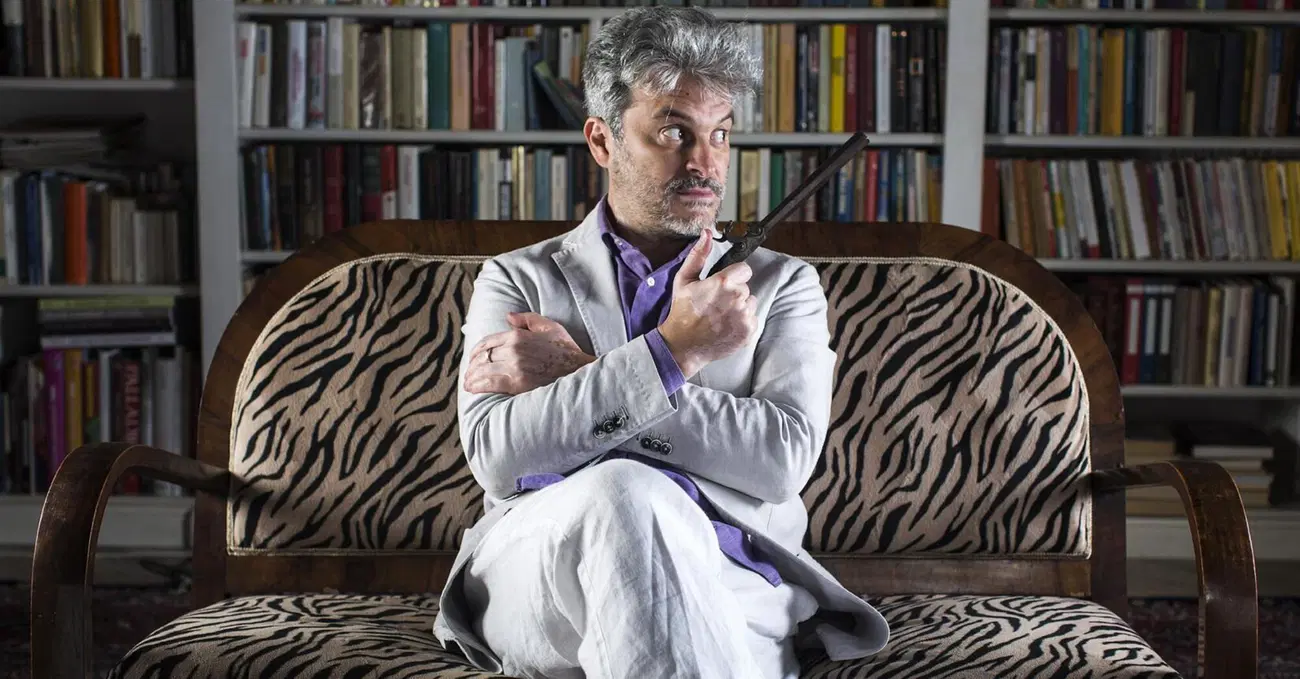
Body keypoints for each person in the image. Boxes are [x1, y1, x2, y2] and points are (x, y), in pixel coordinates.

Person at [432, 6, 889, 678]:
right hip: (541, 570)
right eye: (674, 131)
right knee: (624, 491)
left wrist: (583, 373)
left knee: (640, 520)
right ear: (602, 140)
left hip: (730, 576)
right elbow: (500, 457)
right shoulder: (517, 279)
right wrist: (673, 355)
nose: (705, 162)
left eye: (720, 134)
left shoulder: (783, 285)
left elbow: (779, 460)